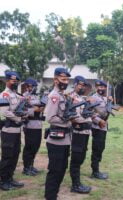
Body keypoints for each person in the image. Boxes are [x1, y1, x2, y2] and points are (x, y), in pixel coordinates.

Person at [0, 71, 33, 190]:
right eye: (13, 81)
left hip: (17, 130)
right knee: (7, 156)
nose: (15, 83)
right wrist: (19, 118)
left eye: (17, 81)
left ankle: (10, 178)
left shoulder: (17, 95)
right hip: (8, 131)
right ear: (7, 81)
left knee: (15, 155)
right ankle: (3, 181)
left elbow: (23, 108)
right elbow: (5, 112)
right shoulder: (4, 95)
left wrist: (25, 110)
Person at [44, 67, 72, 200]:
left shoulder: (62, 95)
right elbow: (50, 117)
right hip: (56, 140)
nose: (66, 82)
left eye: (67, 79)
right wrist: (68, 121)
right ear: (55, 80)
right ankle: (50, 197)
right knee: (55, 171)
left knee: (61, 169)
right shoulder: (54, 96)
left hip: (65, 139)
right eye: (63, 79)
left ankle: (53, 195)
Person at [69, 76, 92, 193]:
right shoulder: (70, 97)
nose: (82, 87)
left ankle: (77, 182)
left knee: (81, 157)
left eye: (84, 85)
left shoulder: (83, 98)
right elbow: (71, 116)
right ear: (75, 84)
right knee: (76, 159)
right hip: (77, 132)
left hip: (85, 132)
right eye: (80, 85)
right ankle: (75, 185)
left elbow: (89, 114)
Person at [22, 78, 44, 176]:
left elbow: (39, 108)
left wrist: (41, 109)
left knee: (36, 146)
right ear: (27, 86)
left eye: (33, 86)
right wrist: (34, 110)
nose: (32, 88)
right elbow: (22, 111)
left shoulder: (36, 96)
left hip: (38, 125)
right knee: (29, 147)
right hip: (30, 125)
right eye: (30, 86)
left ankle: (31, 165)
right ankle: (26, 167)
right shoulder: (24, 97)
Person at [90, 80, 109, 180]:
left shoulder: (105, 98)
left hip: (104, 126)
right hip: (97, 126)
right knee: (97, 148)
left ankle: (97, 170)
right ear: (96, 88)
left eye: (102, 87)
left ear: (105, 88)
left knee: (101, 148)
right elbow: (89, 112)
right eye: (99, 87)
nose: (100, 89)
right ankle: (95, 171)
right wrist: (98, 121)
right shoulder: (93, 98)